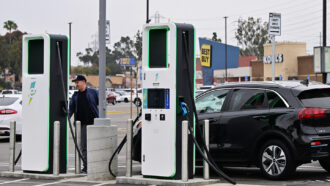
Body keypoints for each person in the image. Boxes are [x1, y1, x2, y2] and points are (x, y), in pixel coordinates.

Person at [69, 75, 99, 173]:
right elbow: (71, 109)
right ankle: (86, 166)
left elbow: (101, 103)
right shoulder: (75, 95)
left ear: (83, 82)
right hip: (81, 124)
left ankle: (93, 165)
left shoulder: (93, 92)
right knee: (83, 146)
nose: (76, 84)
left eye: (77, 82)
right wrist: (66, 119)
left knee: (94, 145)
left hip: (93, 123)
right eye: (75, 82)